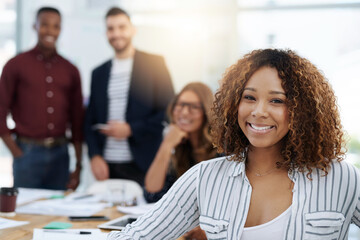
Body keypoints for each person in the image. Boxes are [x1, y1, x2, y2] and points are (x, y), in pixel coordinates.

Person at [107, 49, 360, 240]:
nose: (259, 111)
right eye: (249, 97)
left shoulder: (343, 178)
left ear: (302, 111)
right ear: (233, 105)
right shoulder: (204, 178)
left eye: (277, 101)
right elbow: (135, 236)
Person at [84, 7, 174, 186]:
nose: (116, 33)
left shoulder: (154, 64)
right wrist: (94, 155)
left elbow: (169, 111)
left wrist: (131, 129)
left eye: (121, 27)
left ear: (133, 29)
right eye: (111, 29)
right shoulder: (98, 73)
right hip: (107, 165)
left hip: (144, 163)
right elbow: (89, 120)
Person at [0, 7, 83, 190]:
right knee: (26, 213)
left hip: (61, 156)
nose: (50, 31)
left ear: (60, 30)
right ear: (34, 26)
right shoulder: (15, 65)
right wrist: (15, 151)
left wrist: (78, 165)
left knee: (59, 212)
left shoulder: (71, 70)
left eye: (56, 26)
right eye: (44, 25)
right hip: (27, 153)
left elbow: (77, 121)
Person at [144, 82, 218, 240]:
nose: (184, 112)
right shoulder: (181, 150)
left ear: (206, 111)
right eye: (180, 105)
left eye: (193, 107)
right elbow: (152, 194)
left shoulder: (221, 152)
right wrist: (166, 145)